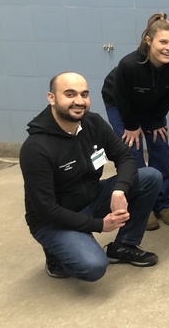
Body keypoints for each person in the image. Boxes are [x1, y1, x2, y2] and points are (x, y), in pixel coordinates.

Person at [20, 72, 160, 281]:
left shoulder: (93, 123)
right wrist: (99, 225)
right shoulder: (36, 148)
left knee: (150, 177)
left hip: (93, 197)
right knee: (93, 266)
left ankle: (123, 246)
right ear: (52, 98)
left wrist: (120, 190)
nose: (79, 101)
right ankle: (55, 253)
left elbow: (124, 157)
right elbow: (46, 208)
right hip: (53, 220)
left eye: (84, 94)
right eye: (70, 94)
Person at [102, 12, 169, 230]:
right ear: (149, 41)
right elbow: (121, 97)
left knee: (160, 146)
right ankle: (141, 205)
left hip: (153, 106)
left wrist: (157, 120)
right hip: (121, 104)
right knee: (133, 150)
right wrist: (131, 126)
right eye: (163, 42)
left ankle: (163, 203)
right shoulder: (130, 64)